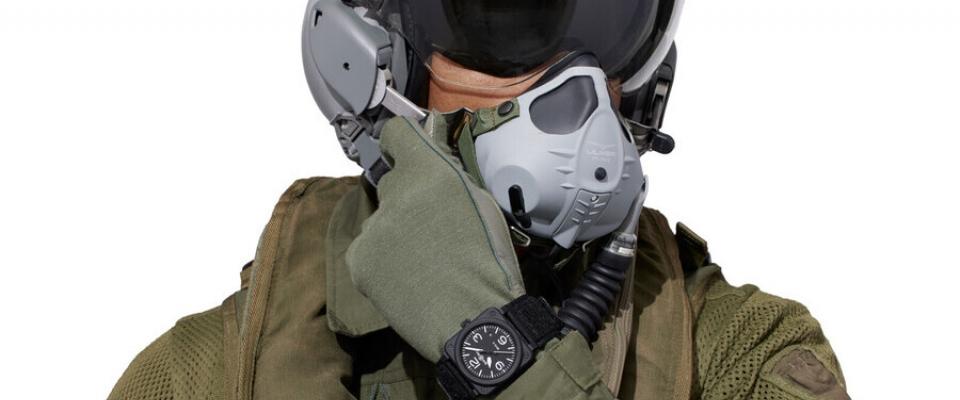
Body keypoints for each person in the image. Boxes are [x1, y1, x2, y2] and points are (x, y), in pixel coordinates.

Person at [109, 1, 849, 399]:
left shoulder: (741, 355)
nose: (576, 93)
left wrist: (497, 350)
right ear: (376, 59)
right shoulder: (201, 378)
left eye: (609, 22)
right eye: (504, 22)